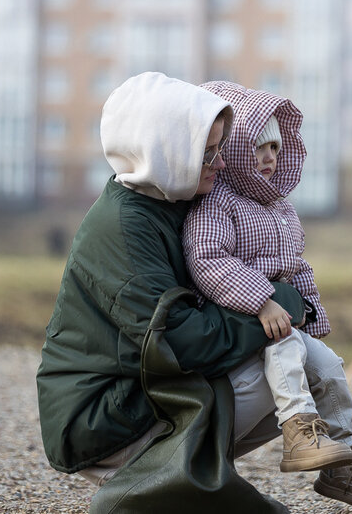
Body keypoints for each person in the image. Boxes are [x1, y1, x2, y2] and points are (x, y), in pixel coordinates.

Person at [35, 72, 308, 513]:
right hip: (97, 414)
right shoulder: (125, 227)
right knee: (292, 358)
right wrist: (283, 301)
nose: (220, 164)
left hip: (137, 387)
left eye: (221, 149)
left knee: (295, 356)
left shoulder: (169, 199)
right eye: (208, 152)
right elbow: (180, 341)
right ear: (167, 151)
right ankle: (143, 487)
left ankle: (176, 479)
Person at [182, 80, 352, 510]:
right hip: (237, 316)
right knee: (285, 344)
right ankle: (298, 429)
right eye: (257, 146)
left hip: (281, 318)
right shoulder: (218, 202)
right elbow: (206, 259)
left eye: (276, 148)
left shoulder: (281, 207)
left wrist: (313, 319)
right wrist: (261, 299)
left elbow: (297, 265)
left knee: (328, 365)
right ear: (235, 147)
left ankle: (343, 463)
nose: (268, 157)